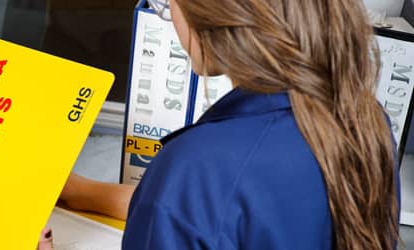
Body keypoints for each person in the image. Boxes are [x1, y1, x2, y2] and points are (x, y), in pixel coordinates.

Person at [42, 0, 402, 249]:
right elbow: (227, 212)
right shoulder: (364, 120)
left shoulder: (199, 163)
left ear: (213, 15)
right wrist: (81, 191)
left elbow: (201, 200)